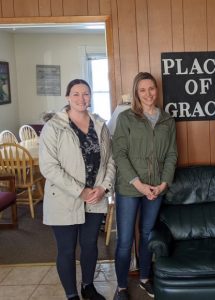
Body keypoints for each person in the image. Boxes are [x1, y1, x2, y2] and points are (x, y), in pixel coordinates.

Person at [39, 79, 115, 300]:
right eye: (76, 94)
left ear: (90, 97)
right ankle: (72, 295)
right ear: (67, 97)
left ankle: (88, 287)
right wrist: (80, 191)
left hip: (95, 197)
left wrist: (103, 187)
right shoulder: (54, 127)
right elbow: (49, 167)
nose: (82, 99)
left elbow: (110, 160)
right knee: (67, 250)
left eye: (86, 94)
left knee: (90, 245)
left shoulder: (100, 125)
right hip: (64, 198)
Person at [112, 72, 178, 299]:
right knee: (125, 239)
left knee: (148, 234)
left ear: (156, 90)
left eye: (151, 89)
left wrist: (163, 184)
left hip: (156, 188)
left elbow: (171, 154)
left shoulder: (167, 120)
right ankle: (121, 286)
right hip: (130, 187)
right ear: (136, 93)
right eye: (142, 90)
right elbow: (119, 154)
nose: (148, 94)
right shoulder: (126, 118)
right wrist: (139, 184)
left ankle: (145, 278)